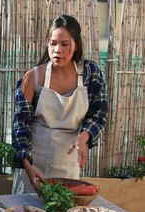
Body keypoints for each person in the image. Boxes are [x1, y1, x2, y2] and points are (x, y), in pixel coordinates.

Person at [12, 15, 108, 194]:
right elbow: (20, 126)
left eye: (65, 44)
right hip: (33, 167)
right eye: (53, 43)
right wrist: (27, 166)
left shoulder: (90, 74)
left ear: (76, 45)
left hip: (68, 166)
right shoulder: (33, 77)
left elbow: (98, 114)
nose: (58, 50)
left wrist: (84, 136)